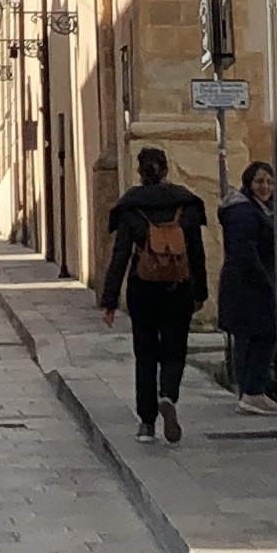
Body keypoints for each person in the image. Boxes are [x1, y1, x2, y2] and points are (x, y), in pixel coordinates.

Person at [97, 145, 214, 444]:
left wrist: (109, 300)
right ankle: (169, 395)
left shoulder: (131, 205)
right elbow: (196, 253)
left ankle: (147, 423)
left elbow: (120, 255)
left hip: (143, 288)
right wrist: (200, 292)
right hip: (179, 286)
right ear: (165, 169)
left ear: (140, 170)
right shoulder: (186, 203)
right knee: (175, 348)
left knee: (145, 352)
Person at [218, 162, 277, 417]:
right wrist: (265, 281)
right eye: (259, 181)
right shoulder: (243, 212)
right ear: (248, 183)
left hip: (256, 284)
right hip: (249, 286)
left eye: (269, 181)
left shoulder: (262, 209)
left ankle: (251, 391)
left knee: (258, 336)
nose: (265, 186)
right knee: (264, 335)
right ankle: (252, 391)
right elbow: (244, 250)